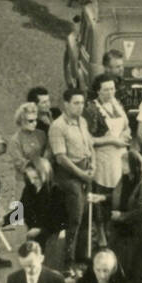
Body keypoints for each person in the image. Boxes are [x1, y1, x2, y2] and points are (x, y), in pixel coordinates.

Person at [48, 89, 96, 265]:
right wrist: (82, 174)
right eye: (76, 103)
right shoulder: (58, 126)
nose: (80, 107)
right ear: (65, 104)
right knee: (74, 217)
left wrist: (93, 166)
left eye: (82, 103)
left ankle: (83, 256)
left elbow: (90, 147)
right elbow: (61, 158)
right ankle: (68, 259)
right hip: (68, 176)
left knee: (86, 215)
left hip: (85, 171)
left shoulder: (82, 122)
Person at [107, 153, 142, 280]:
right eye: (122, 163)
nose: (123, 167)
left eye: (126, 164)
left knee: (131, 265)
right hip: (120, 229)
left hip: (136, 231)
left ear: (134, 165)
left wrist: (121, 216)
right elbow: (120, 197)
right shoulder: (124, 179)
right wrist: (103, 197)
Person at [12, 157, 70, 271]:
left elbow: (62, 222)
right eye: (29, 178)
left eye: (35, 178)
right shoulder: (29, 189)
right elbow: (20, 211)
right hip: (34, 237)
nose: (32, 181)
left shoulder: (56, 191)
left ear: (45, 174)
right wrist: (3, 221)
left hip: (52, 240)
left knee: (46, 271)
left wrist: (41, 230)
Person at [87, 75, 131, 199]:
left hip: (121, 155)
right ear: (98, 91)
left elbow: (127, 126)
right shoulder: (92, 109)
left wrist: (125, 133)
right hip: (104, 157)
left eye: (112, 88)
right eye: (106, 90)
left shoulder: (117, 104)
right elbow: (88, 139)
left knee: (121, 189)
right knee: (104, 190)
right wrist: (112, 140)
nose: (110, 92)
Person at [8, 101, 48, 190]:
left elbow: (47, 152)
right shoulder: (15, 140)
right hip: (24, 181)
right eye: (31, 121)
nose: (35, 123)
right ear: (21, 121)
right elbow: (20, 163)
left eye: (36, 120)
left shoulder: (41, 134)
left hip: (43, 177)